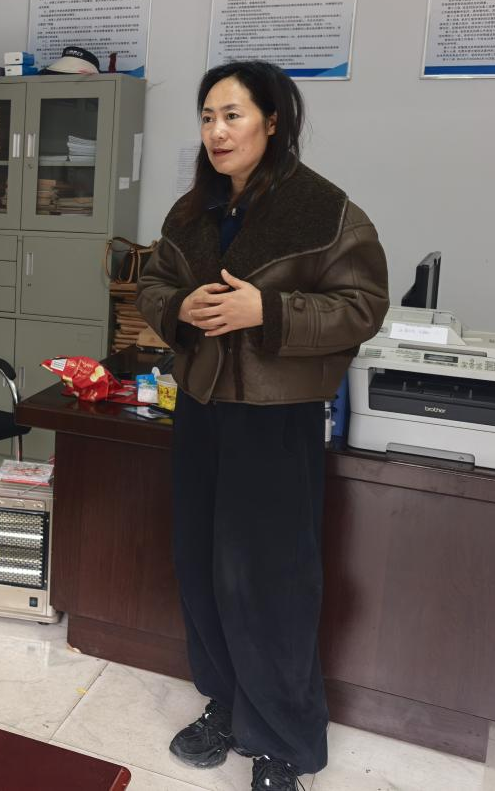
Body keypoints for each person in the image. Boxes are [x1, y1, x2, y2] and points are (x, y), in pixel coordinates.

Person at [138, 61, 388, 790]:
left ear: (273, 121)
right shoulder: (193, 212)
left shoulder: (325, 210)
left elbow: (363, 307)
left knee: (270, 581)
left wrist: (268, 311)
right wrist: (178, 308)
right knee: (200, 566)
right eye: (207, 117)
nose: (217, 132)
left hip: (275, 419)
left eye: (233, 115)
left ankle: (282, 741)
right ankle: (227, 703)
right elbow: (153, 281)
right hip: (202, 410)